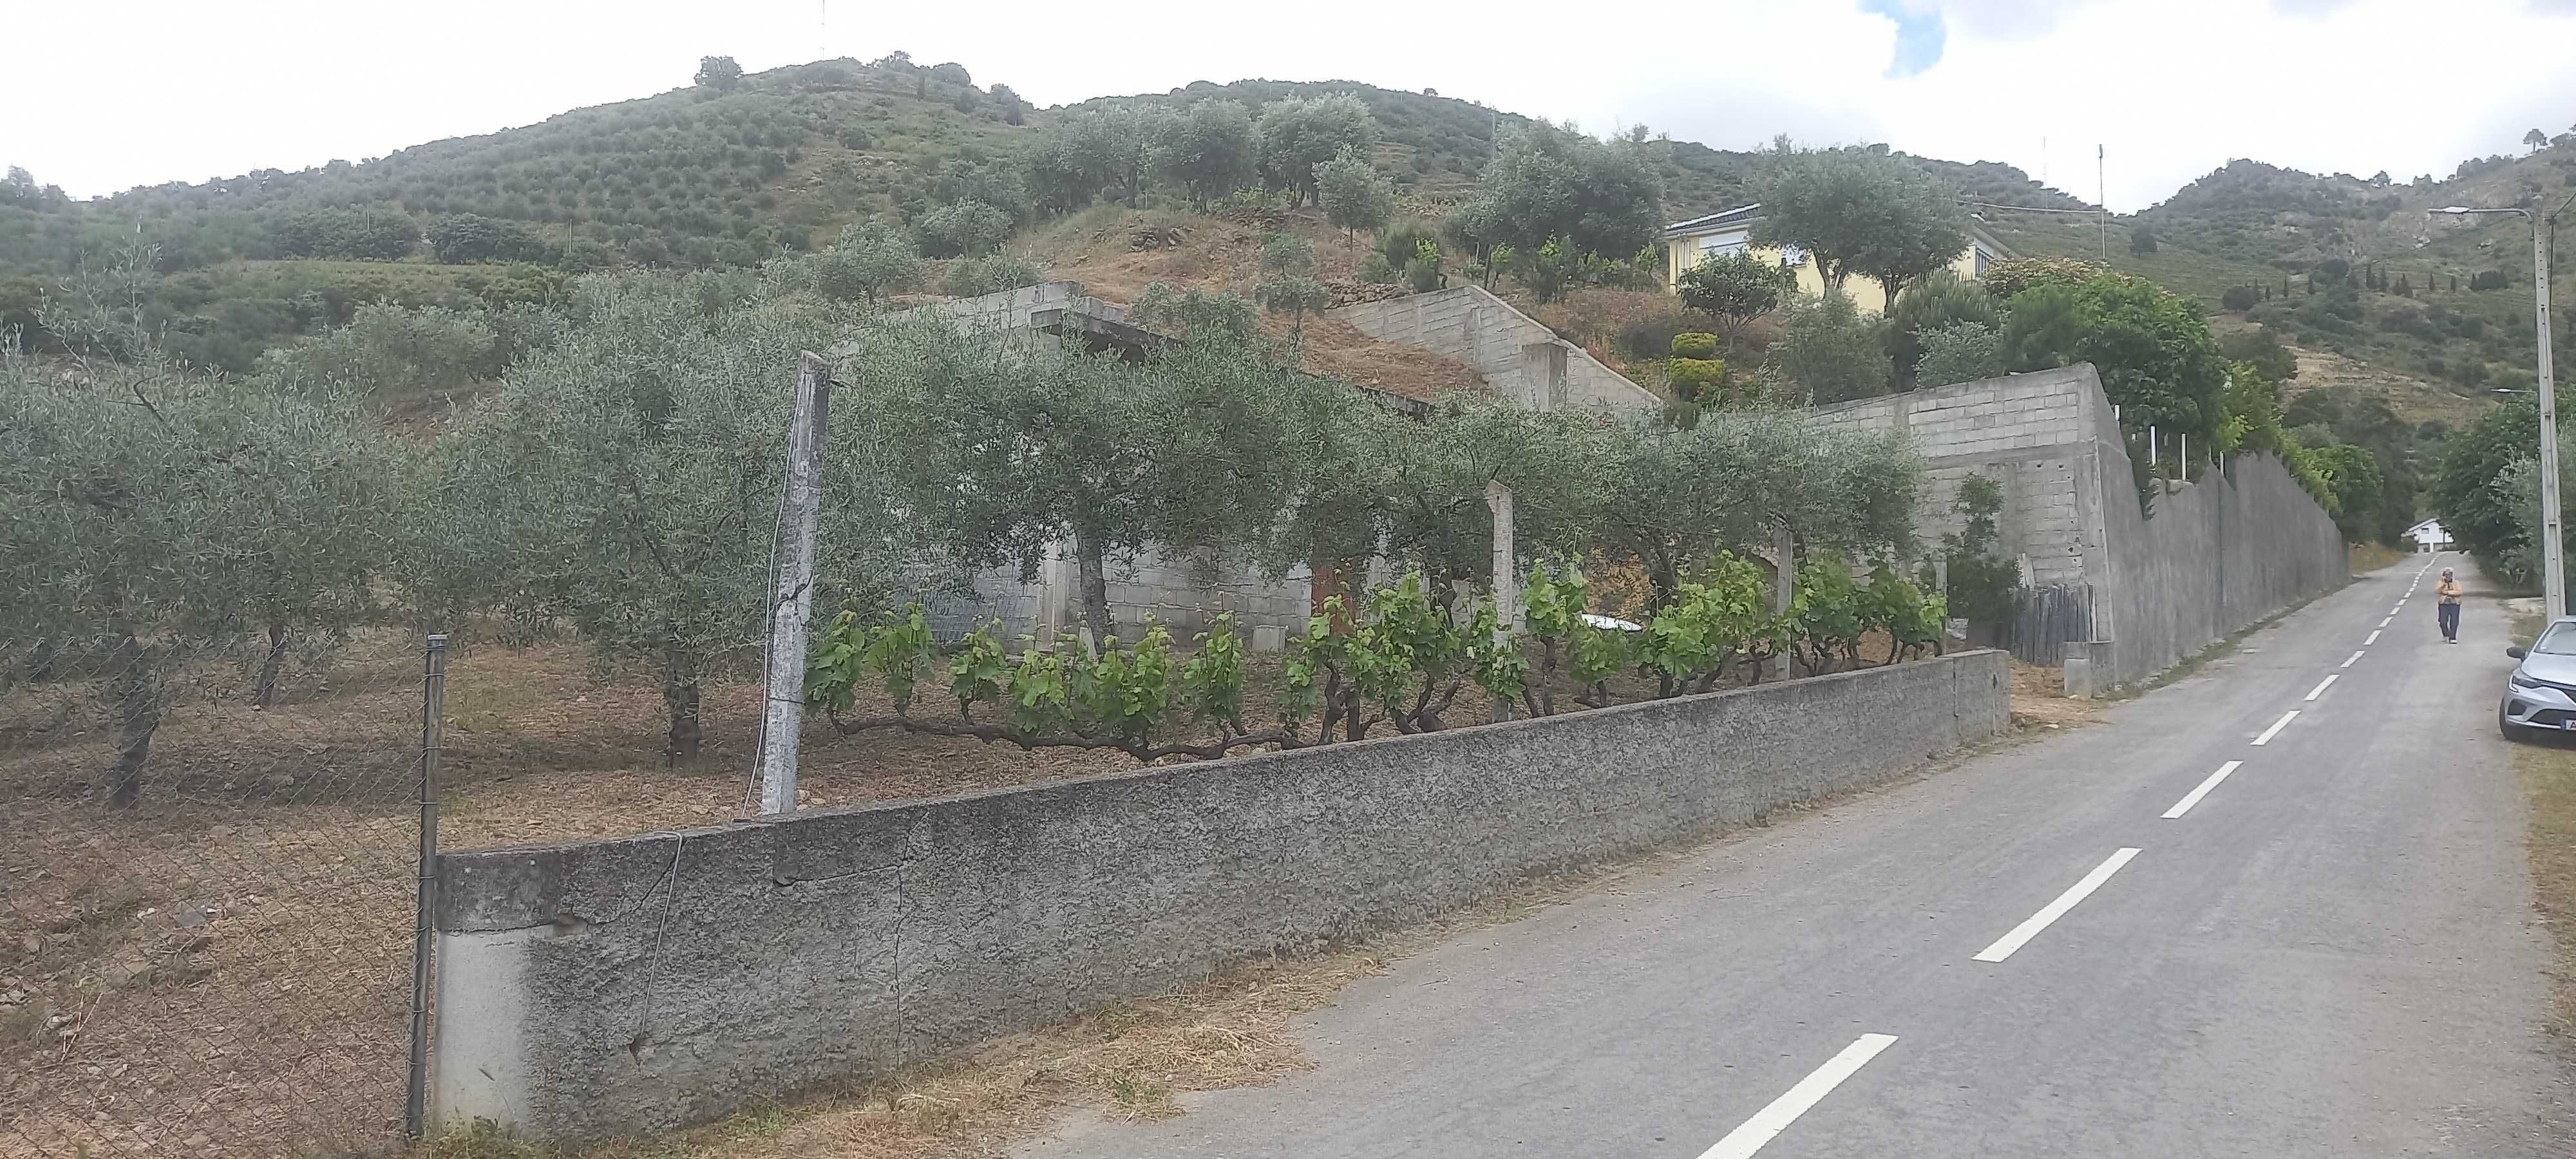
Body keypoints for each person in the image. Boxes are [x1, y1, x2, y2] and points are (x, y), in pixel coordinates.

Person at [2436, 567, 2463, 643]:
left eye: (2449, 574)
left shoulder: (2456, 582)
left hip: (2455, 603)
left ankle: (2453, 637)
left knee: (2454, 621)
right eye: (2446, 574)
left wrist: (2448, 593)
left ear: (2452, 575)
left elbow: (2459, 592)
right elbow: (2438, 591)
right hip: (2444, 604)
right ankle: (2446, 634)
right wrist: (2444, 584)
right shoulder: (2441, 583)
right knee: (2442, 621)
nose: (2448, 576)